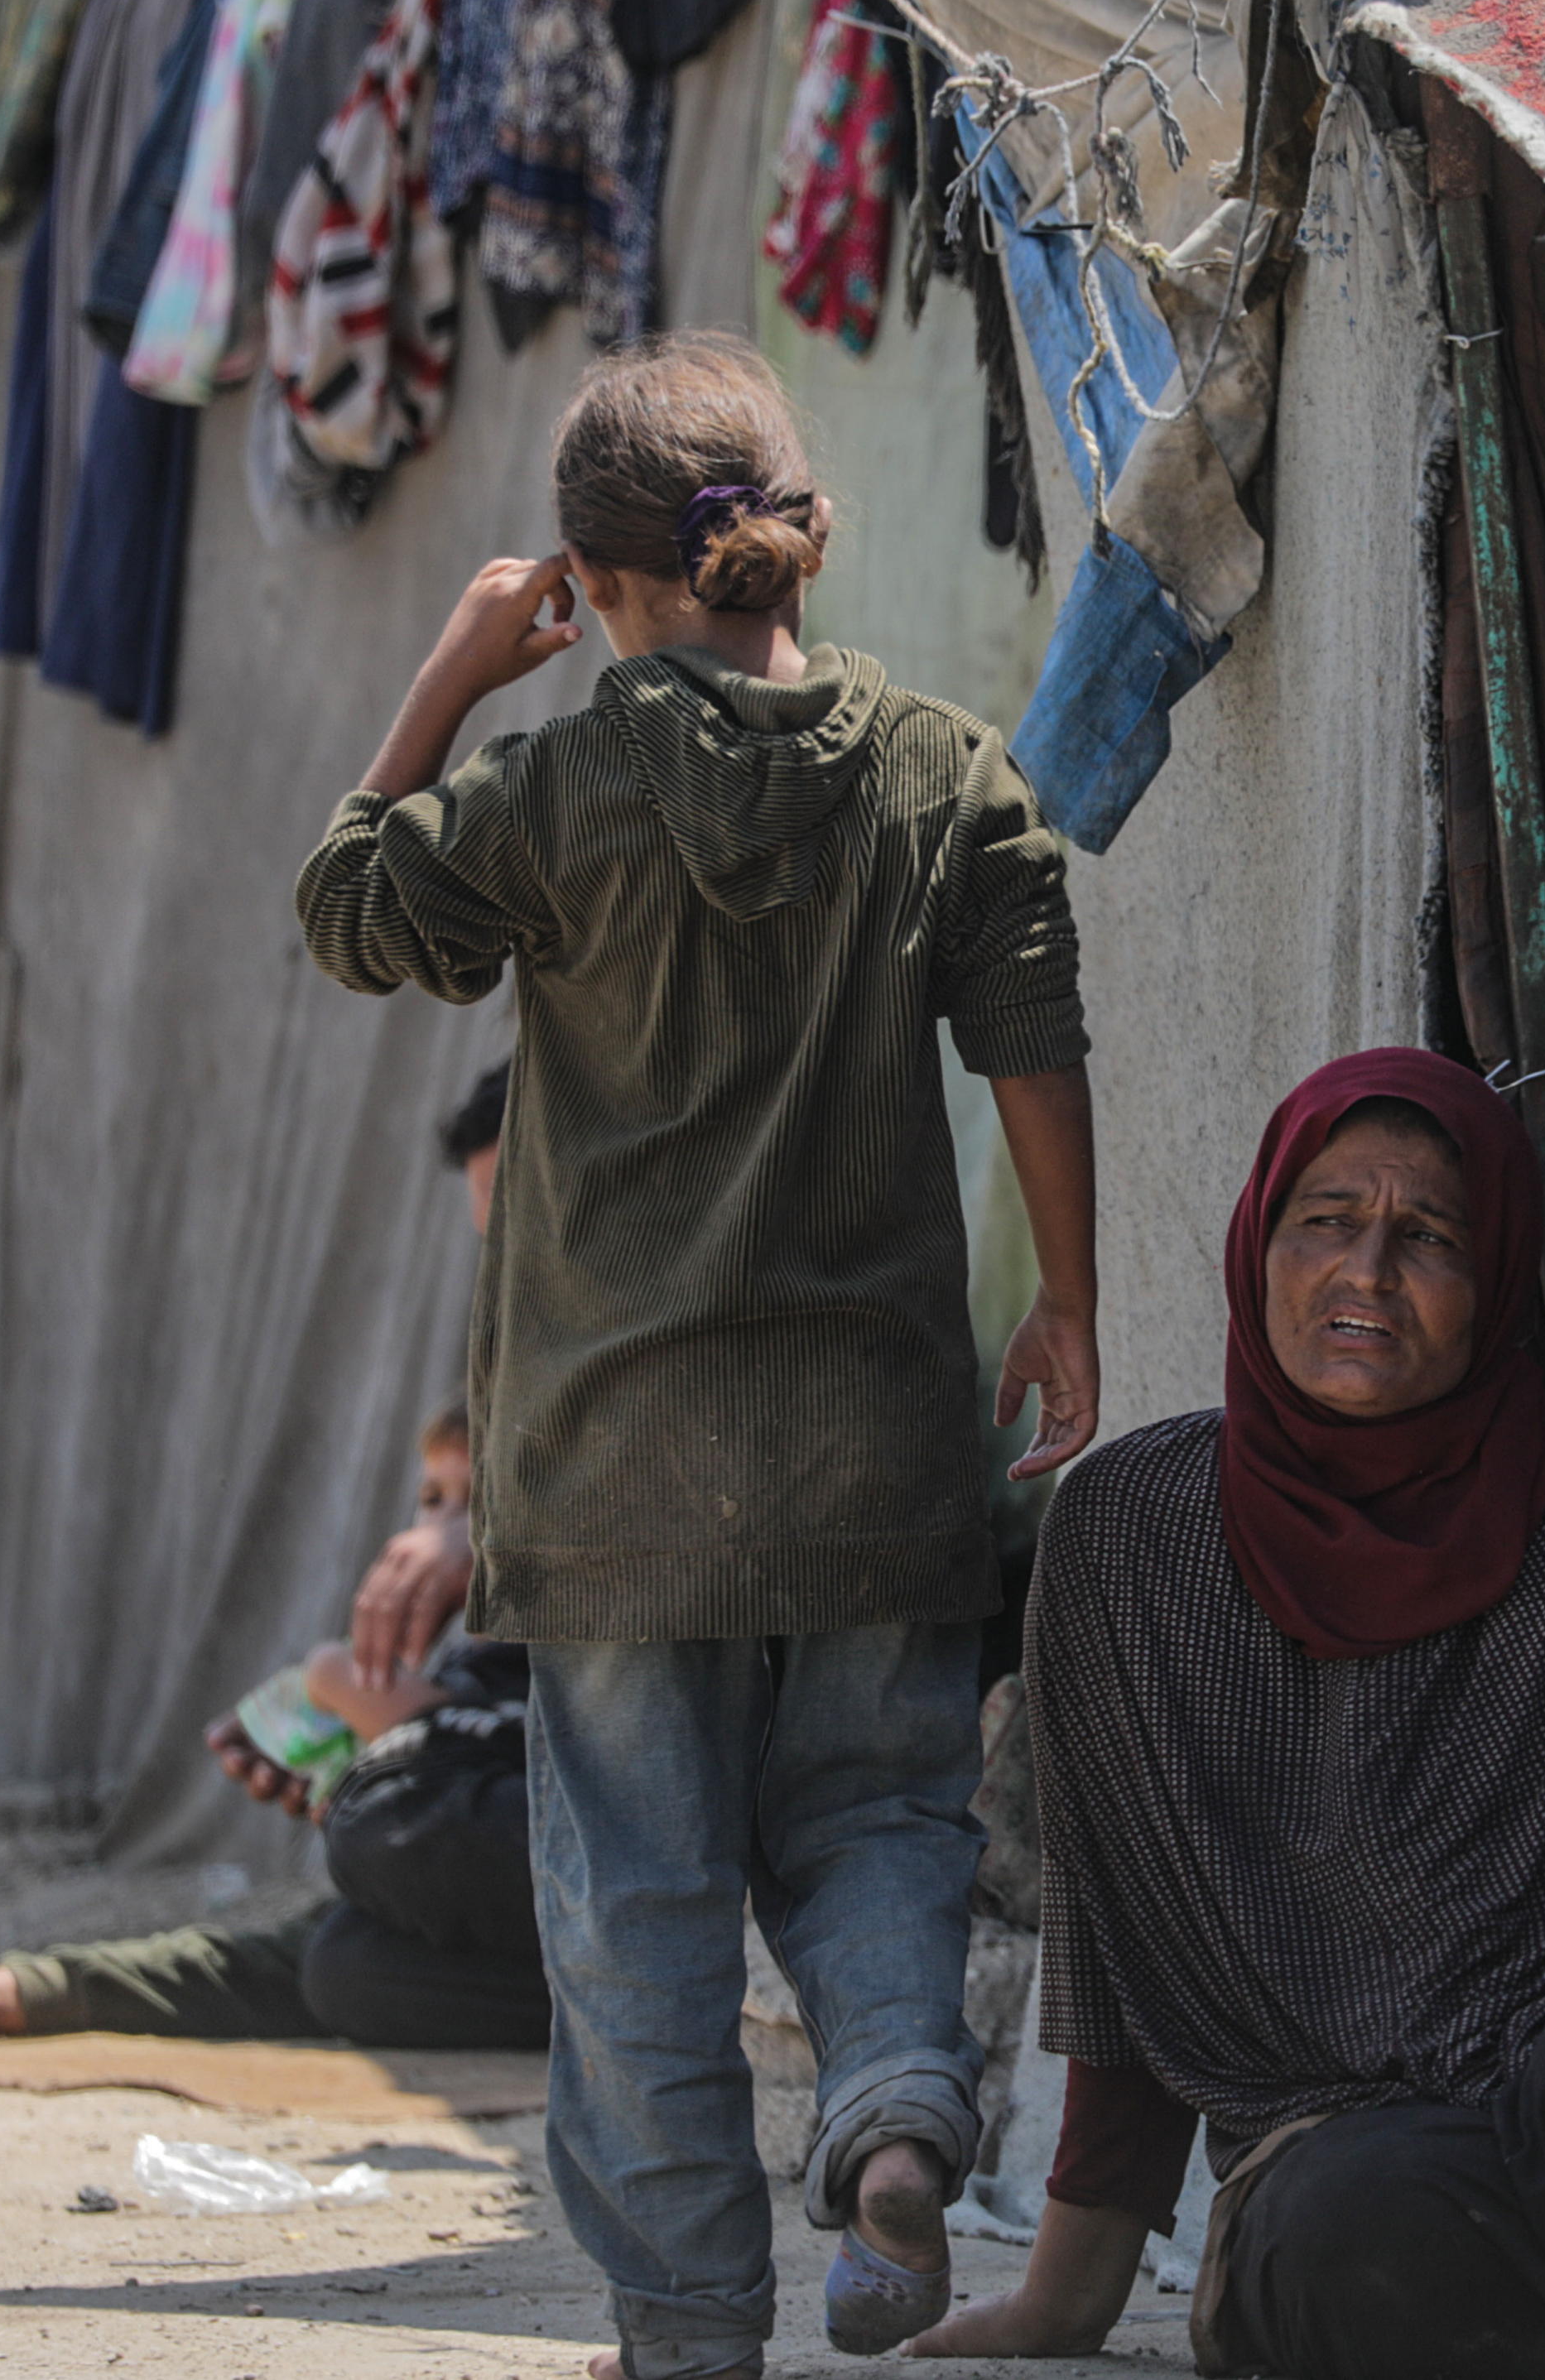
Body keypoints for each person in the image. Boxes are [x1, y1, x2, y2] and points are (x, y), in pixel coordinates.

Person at [295, 331, 1098, 2376]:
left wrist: (465, 671)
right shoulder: (943, 772)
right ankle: (901, 2108)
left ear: (600, 580)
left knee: (635, 1903)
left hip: (616, 1460)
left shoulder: (554, 784)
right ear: (788, 557)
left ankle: (685, 2324)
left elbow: (349, 909)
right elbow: (1032, 1045)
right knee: (879, 1826)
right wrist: (1071, 1305)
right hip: (878, 1444)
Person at [906, 1049, 1545, 2379]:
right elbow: (1127, 1946)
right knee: (1355, 2233)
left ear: (1498, 1278)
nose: (1368, 1272)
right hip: (1344, 2145)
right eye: (1326, 1220)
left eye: (1431, 1237)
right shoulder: (1128, 1537)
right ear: (1258, 1242)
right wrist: (1066, 2299)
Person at [0, 1402, 550, 2051]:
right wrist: (362, 1776)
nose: (444, 1527)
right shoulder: (464, 1667)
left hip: (611, 1905)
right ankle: (15, 1993)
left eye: (476, 1503)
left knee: (378, 1832)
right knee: (343, 1960)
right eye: (432, 1498)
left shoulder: (576, 1657)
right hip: (547, 1958)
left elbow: (530, 1808)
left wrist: (337, 1684)